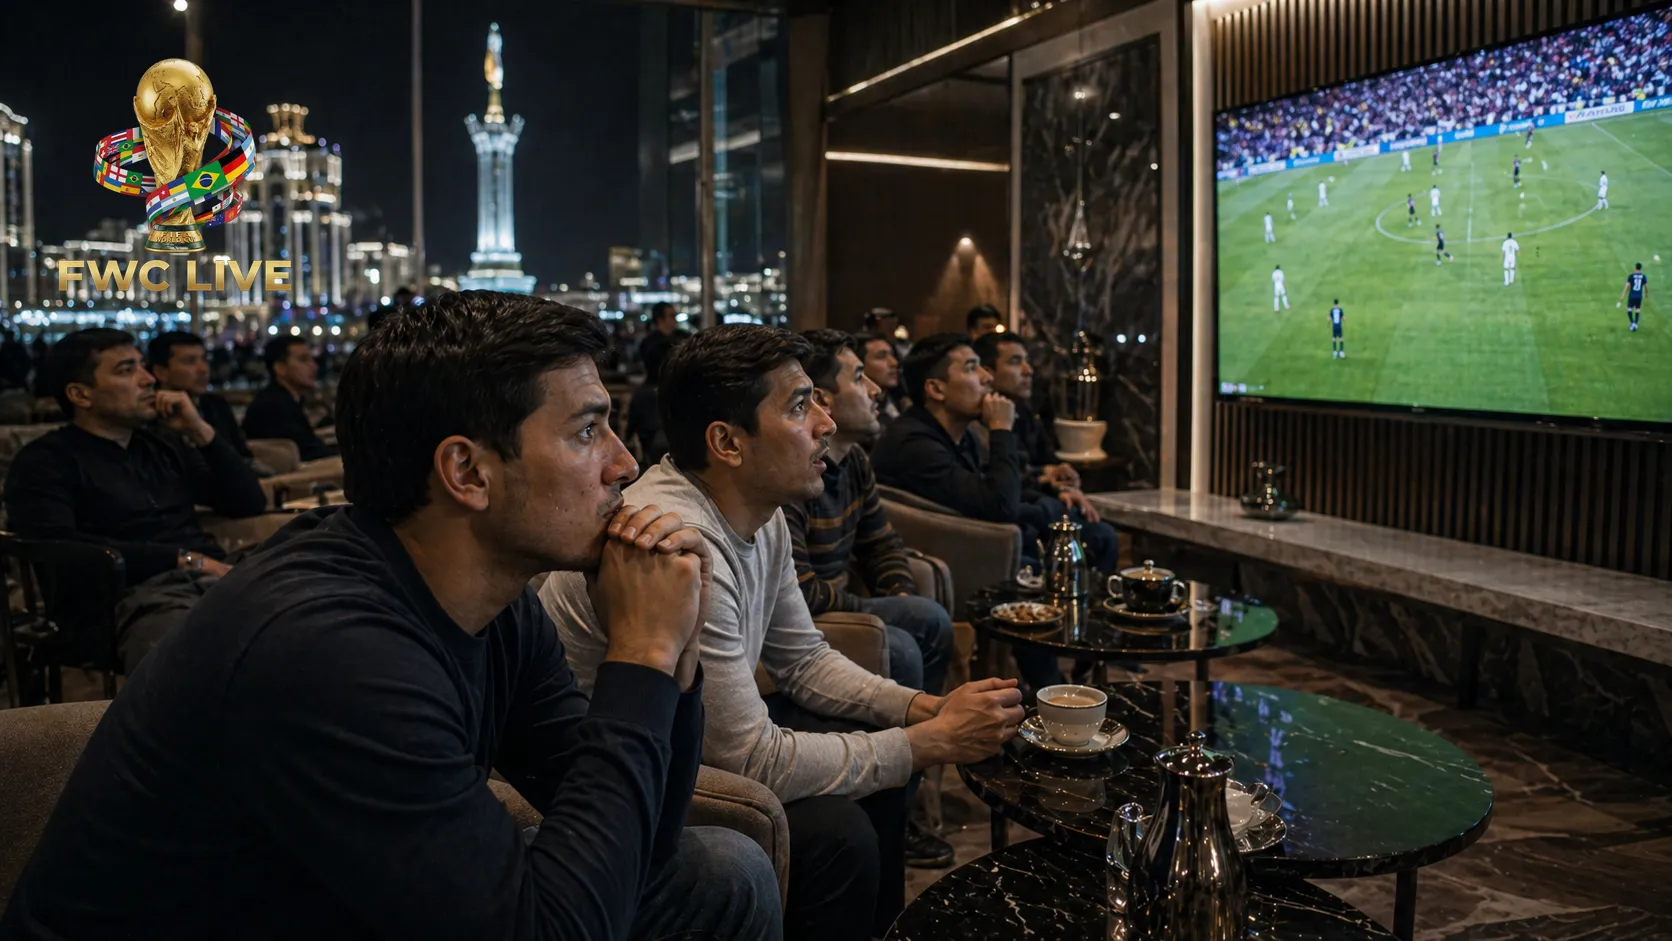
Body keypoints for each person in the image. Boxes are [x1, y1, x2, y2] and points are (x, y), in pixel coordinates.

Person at [0, 293, 781, 941]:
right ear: (467, 471)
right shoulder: (328, 646)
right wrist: (637, 653)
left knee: (719, 871)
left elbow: (644, 826)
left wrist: (673, 667)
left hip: (337, 900)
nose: (624, 465)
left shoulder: (495, 600)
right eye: (586, 431)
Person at [540, 325, 1024, 941]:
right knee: (835, 834)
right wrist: (930, 741)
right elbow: (749, 758)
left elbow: (803, 658)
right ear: (727, 442)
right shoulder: (673, 540)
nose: (824, 423)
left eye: (820, 400)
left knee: (880, 752)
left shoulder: (757, 508)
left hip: (690, 739)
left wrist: (924, 707)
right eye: (801, 405)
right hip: (627, 772)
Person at [783, 329, 957, 869]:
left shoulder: (853, 459)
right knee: (909, 637)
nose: (878, 387)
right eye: (860, 376)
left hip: (833, 610)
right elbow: (801, 591)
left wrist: (898, 594)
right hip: (814, 612)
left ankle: (913, 784)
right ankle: (905, 805)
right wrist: (879, 611)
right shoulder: (786, 475)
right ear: (824, 401)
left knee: (918, 619)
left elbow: (883, 544)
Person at [2, 329, 267, 673]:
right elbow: (58, 546)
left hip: (212, 574)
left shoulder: (159, 446)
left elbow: (248, 503)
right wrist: (181, 560)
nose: (148, 380)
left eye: (143, 366)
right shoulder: (45, 462)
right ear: (80, 394)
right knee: (201, 656)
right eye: (127, 370)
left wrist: (198, 429)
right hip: (130, 598)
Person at [871, 333, 1119, 691]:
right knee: (1034, 570)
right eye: (972, 368)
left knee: (1087, 538)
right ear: (936, 389)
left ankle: (1075, 668)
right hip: (952, 560)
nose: (987, 377)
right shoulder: (914, 441)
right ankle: (1051, 691)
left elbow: (997, 489)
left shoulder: (959, 433)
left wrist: (1052, 492)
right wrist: (1001, 429)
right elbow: (999, 507)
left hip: (984, 544)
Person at [147, 331, 252, 461]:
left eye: (204, 359)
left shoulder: (215, 405)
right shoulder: (149, 416)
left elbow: (243, 456)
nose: (204, 370)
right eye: (189, 361)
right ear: (161, 372)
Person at [243, 336, 338, 461]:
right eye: (303, 360)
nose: (314, 366)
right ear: (280, 368)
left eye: (312, 359)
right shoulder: (273, 407)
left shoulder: (288, 399)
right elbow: (308, 453)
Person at [859, 331, 909, 428]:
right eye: (881, 356)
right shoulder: (857, 415)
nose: (894, 363)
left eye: (892, 355)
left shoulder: (903, 403)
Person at [638, 301, 688, 377]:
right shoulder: (650, 343)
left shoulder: (683, 336)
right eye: (672, 316)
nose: (675, 320)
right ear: (660, 319)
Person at [1619, 262, 1648, 332]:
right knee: (1638, 309)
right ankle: (1635, 323)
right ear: (1640, 268)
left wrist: (1623, 295)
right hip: (1639, 296)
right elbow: (1646, 286)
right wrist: (1647, 293)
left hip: (1632, 296)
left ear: (1635, 267)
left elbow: (1627, 287)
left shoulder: (1631, 276)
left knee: (1629, 309)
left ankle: (1632, 323)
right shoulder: (1643, 276)